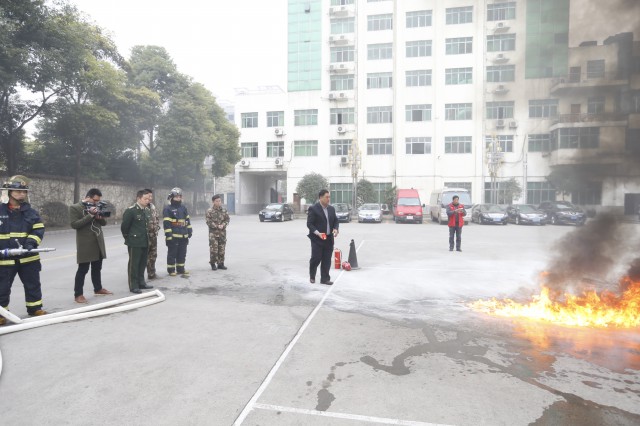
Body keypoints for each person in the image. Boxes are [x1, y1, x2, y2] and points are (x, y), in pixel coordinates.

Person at [0, 176, 47, 325]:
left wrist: (31, 243)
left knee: (33, 284)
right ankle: (1, 314)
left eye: (24, 191)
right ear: (8, 192)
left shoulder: (31, 212)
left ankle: (35, 308)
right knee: (2, 288)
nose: (22, 194)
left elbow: (38, 229)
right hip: (5, 258)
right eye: (18, 191)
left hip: (28, 257)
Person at [69, 188, 113, 303]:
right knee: (83, 269)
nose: (96, 203)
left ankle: (98, 288)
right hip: (85, 243)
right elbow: (74, 225)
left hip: (98, 241)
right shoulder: (75, 207)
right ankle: (78, 294)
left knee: (97, 268)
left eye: (98, 201)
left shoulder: (97, 206)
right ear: (88, 197)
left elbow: (104, 223)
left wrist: (100, 216)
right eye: (95, 200)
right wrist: (90, 215)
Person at [121, 190, 153, 294]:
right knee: (134, 264)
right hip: (134, 242)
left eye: (148, 199)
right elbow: (124, 227)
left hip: (144, 241)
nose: (147, 201)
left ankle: (141, 282)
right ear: (138, 198)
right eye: (145, 199)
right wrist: (129, 239)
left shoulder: (147, 210)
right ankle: (133, 285)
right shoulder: (131, 211)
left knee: (143, 263)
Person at [307, 189, 339, 285]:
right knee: (316, 258)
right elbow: (309, 224)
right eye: (326, 197)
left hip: (329, 239)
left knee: (327, 259)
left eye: (329, 197)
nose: (328, 199)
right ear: (320, 197)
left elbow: (336, 221)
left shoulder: (331, 209)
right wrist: (318, 233)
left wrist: (336, 229)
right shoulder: (313, 208)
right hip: (317, 239)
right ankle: (312, 276)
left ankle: (325, 279)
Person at [163, 187, 192, 277]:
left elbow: (187, 220)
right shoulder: (168, 209)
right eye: (176, 197)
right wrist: (169, 236)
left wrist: (189, 230)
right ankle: (171, 270)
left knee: (182, 253)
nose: (178, 199)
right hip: (174, 236)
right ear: (172, 198)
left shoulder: (183, 207)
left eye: (180, 197)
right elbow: (167, 224)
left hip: (183, 235)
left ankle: (181, 269)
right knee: (172, 253)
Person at [206, 194, 230, 270]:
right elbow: (208, 221)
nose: (219, 202)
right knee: (214, 249)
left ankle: (221, 263)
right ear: (213, 202)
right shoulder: (209, 211)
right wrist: (217, 226)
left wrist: (223, 224)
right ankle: (213, 263)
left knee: (222, 249)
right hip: (213, 234)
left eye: (220, 201)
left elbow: (227, 219)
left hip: (222, 233)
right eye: (217, 201)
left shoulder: (224, 210)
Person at [145, 188, 161, 279]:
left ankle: (151, 273)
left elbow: (156, 218)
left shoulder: (152, 206)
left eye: (151, 196)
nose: (150, 198)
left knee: (153, 255)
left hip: (153, 235)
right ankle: (138, 277)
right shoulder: (140, 207)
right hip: (144, 236)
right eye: (148, 196)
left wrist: (156, 228)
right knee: (142, 257)